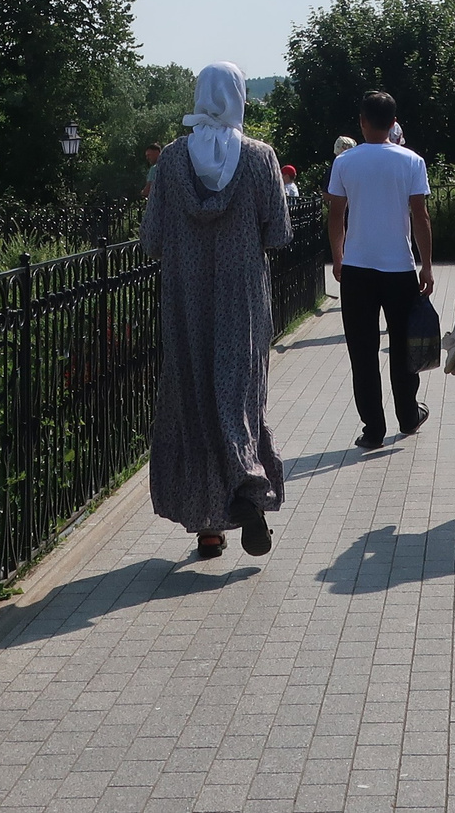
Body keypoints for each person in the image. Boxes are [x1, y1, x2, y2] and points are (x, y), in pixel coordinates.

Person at [142, 64, 292, 559]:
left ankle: (209, 527)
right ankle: (247, 486)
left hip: (186, 299)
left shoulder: (170, 159)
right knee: (239, 395)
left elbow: (152, 239)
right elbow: (279, 233)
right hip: (241, 298)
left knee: (195, 399)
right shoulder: (259, 157)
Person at [325, 90, 434, 450]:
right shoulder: (412, 161)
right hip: (399, 267)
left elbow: (336, 215)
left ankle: (373, 428)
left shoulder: (345, 162)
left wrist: (338, 257)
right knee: (402, 345)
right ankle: (408, 414)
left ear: (362, 121)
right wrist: (426, 266)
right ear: (393, 123)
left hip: (357, 267)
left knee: (363, 350)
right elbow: (420, 216)